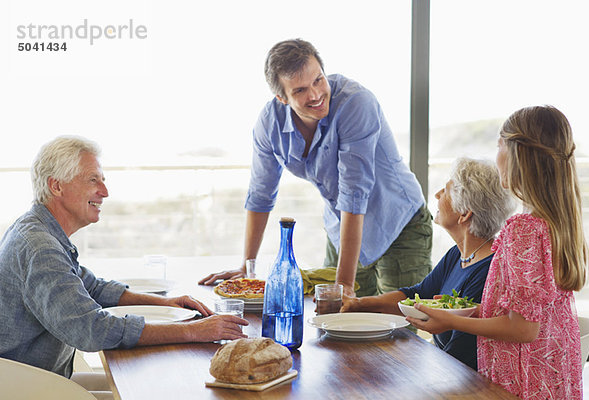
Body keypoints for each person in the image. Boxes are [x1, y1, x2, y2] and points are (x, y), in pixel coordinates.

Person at [0, 136, 248, 397]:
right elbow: (91, 330)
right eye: (93, 180)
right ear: (56, 186)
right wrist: (192, 331)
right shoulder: (40, 247)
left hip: (40, 376)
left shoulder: (40, 232)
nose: (104, 192)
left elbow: (93, 288)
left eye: (103, 180)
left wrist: (166, 303)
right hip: (22, 388)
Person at [199, 38, 432, 297]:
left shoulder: (356, 103)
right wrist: (247, 267)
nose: (315, 95)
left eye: (318, 80)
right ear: (282, 97)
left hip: (398, 225)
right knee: (336, 327)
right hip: (342, 229)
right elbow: (261, 195)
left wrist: (343, 285)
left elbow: (353, 193)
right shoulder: (269, 124)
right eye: (299, 90)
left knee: (396, 329)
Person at [407, 105, 587, 399]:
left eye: (499, 146)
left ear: (519, 156)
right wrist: (475, 311)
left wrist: (450, 320)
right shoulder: (557, 222)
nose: (496, 156)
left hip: (522, 381)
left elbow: (523, 330)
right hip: (553, 376)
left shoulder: (524, 229)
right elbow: (532, 314)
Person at [341, 157, 514, 369]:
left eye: (446, 190)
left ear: (464, 213)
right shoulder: (458, 255)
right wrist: (359, 304)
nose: (437, 195)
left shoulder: (488, 270)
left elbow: (459, 356)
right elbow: (418, 294)